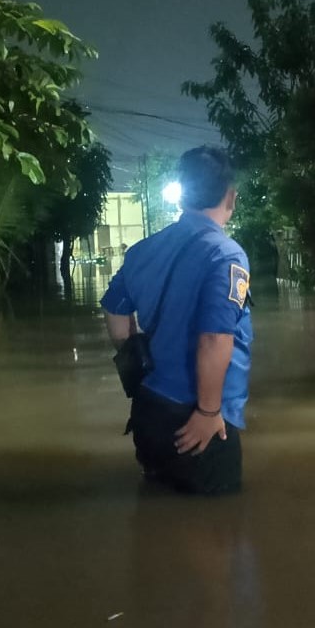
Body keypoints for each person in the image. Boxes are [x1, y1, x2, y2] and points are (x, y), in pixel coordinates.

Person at [101, 147, 252, 494]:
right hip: (199, 422)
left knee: (156, 511)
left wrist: (134, 353)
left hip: (148, 411)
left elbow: (115, 311)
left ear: (182, 193)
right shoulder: (225, 254)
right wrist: (209, 412)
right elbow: (214, 339)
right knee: (216, 529)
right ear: (231, 196)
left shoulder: (143, 250)